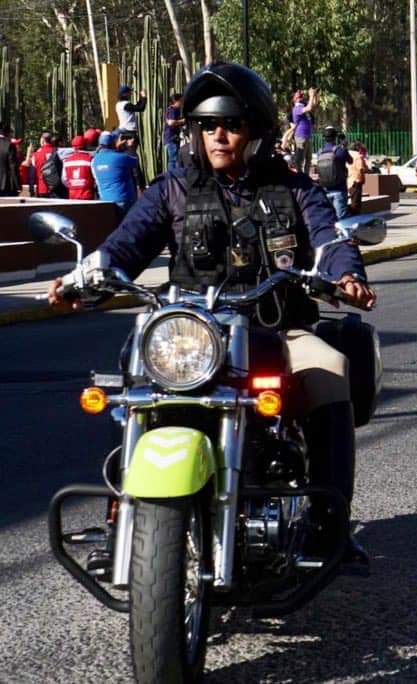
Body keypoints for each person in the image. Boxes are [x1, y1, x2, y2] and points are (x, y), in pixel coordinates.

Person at [48, 62, 375, 555]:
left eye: (232, 125)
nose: (218, 136)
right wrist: (81, 278)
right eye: (206, 125)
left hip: (279, 326)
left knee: (330, 368)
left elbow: (329, 240)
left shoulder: (294, 190)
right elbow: (124, 247)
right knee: (134, 374)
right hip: (193, 331)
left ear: (257, 132)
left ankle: (331, 521)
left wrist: (345, 276)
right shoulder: (173, 191)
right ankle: (124, 510)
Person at [92, 131, 139, 218]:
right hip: (124, 200)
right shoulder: (121, 157)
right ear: (113, 142)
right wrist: (130, 148)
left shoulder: (94, 160)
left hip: (105, 201)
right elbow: (135, 161)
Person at [317, 126, 352, 220]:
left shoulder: (320, 152)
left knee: (328, 219)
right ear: (335, 137)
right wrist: (344, 146)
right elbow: (350, 161)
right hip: (340, 189)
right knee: (341, 218)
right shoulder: (340, 151)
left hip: (325, 189)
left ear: (324, 137)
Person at [291, 88, 318, 175]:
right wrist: (311, 95)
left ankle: (306, 177)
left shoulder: (303, 106)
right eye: (297, 95)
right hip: (300, 136)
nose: (300, 95)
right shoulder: (296, 108)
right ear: (294, 99)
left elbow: (313, 105)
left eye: (300, 95)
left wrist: (315, 95)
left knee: (309, 159)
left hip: (308, 136)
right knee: (300, 159)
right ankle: (300, 177)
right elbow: (310, 107)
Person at [61, 135, 97, 200]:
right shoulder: (90, 159)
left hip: (72, 196)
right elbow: (96, 178)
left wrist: (72, 186)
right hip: (87, 196)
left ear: (73, 147)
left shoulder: (67, 161)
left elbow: (64, 179)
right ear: (86, 145)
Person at [31, 132, 59, 198]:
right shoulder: (58, 152)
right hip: (56, 188)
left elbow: (32, 173)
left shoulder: (36, 154)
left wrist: (31, 188)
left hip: (42, 188)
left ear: (42, 140)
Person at [163, 92, 185, 172]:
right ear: (176, 100)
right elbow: (171, 123)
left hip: (172, 138)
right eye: (181, 100)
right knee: (174, 159)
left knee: (174, 159)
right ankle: (173, 177)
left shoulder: (173, 109)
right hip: (171, 138)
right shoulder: (172, 109)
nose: (182, 102)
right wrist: (183, 121)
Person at [347, 142, 368, 215]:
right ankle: (355, 218)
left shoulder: (347, 154)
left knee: (352, 201)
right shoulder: (358, 156)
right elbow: (361, 169)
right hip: (356, 181)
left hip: (348, 181)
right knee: (356, 202)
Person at [0, 122, 19, 196]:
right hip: (5, 185)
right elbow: (13, 166)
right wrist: (17, 184)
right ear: (7, 133)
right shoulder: (9, 145)